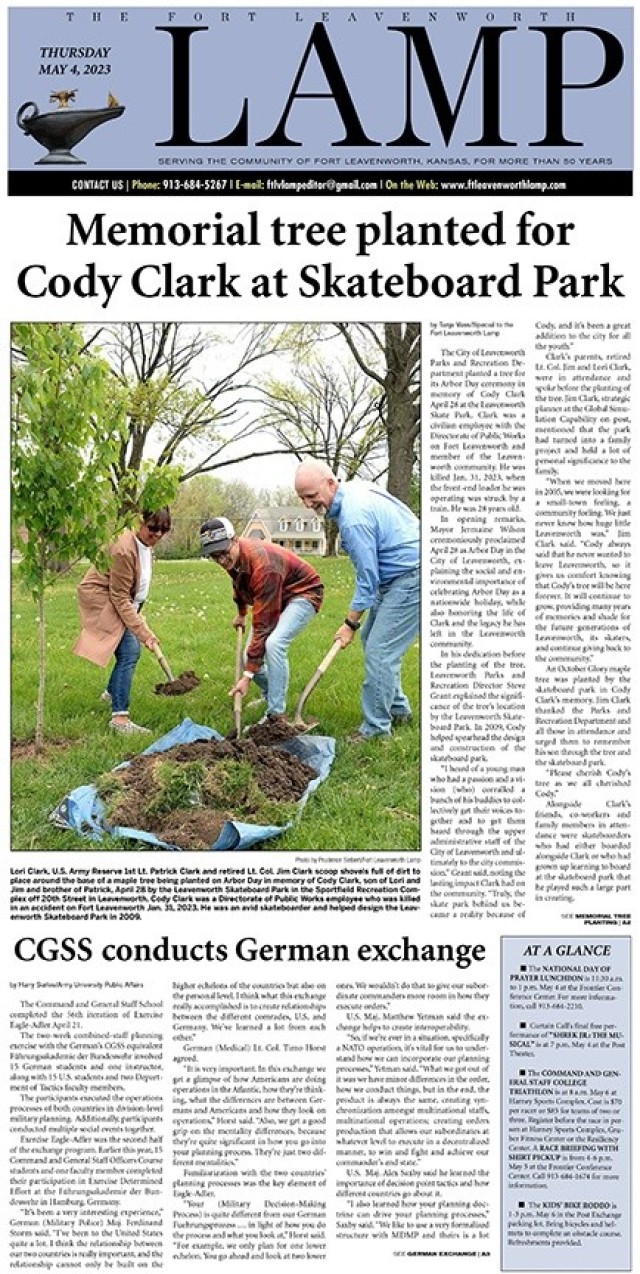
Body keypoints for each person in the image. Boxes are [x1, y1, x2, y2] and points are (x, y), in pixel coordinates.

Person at [294, 460, 420, 741]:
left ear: (330, 483)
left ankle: (376, 730)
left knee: (380, 651)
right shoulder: (354, 491)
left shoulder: (353, 518)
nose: (306, 504)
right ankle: (399, 710)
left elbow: (367, 579)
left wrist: (350, 623)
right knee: (374, 643)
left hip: (411, 576)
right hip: (397, 575)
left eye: (311, 496)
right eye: (301, 497)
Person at [199, 517, 323, 722]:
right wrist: (241, 613)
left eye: (223, 553)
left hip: (303, 593)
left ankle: (276, 715)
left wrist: (247, 677)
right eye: (214, 556)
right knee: (249, 658)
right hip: (277, 593)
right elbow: (239, 585)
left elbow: (264, 625)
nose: (221, 561)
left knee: (274, 644)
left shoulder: (264, 565)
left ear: (235, 540)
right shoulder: (234, 558)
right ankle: (271, 694)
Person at [73, 508, 171, 735]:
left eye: (163, 529)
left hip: (121, 600)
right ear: (139, 521)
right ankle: (119, 719)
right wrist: (144, 633)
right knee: (129, 651)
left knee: (129, 651)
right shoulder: (124, 550)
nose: (157, 534)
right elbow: (119, 597)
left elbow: (133, 589)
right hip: (103, 599)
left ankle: (111, 693)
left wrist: (140, 620)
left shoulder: (144, 545)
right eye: (153, 527)